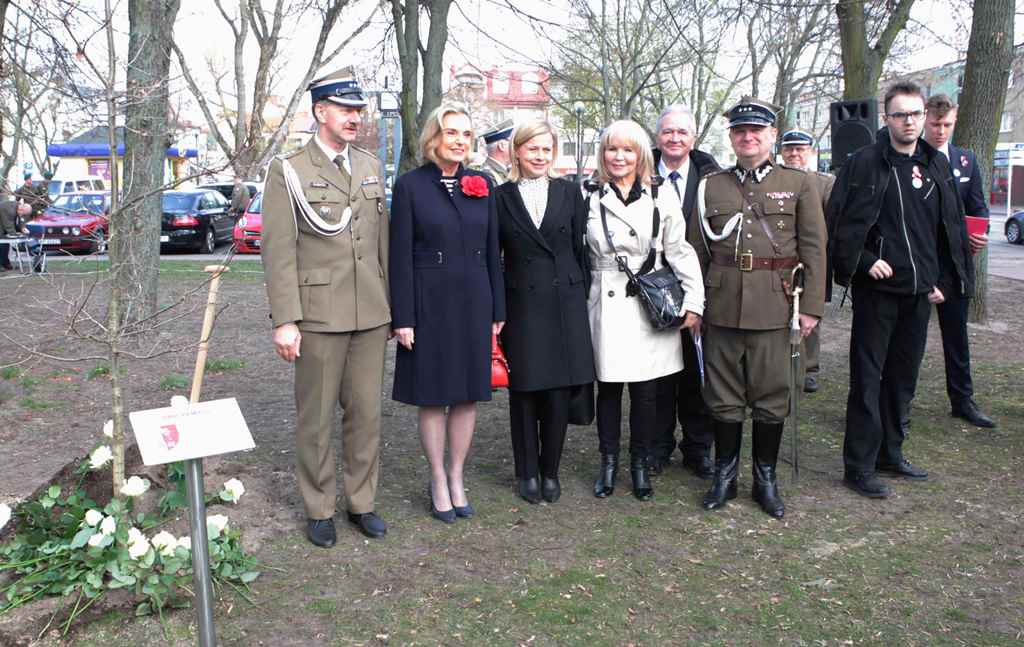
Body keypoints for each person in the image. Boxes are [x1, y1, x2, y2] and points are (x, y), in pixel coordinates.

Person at [261, 67, 391, 546]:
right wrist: (285, 319)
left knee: (366, 413)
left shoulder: (371, 166)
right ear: (321, 112)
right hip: (317, 314)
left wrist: (393, 309)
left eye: (358, 110)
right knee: (315, 418)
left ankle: (362, 502)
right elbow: (278, 250)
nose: (354, 117)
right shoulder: (290, 170)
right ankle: (319, 507)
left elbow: (382, 244)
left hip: (370, 312)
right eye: (345, 109)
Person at [829, 82, 973, 499]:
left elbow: (950, 227)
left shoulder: (935, 164)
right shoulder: (864, 163)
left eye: (915, 114)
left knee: (903, 379)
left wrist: (945, 281)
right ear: (887, 119)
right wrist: (861, 261)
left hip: (920, 294)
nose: (908, 121)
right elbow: (839, 223)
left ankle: (891, 453)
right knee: (869, 380)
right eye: (899, 114)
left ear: (924, 115)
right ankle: (859, 464)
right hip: (878, 294)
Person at [690, 98, 826, 519]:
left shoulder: (798, 182)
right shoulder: (712, 184)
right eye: (739, 131)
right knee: (723, 397)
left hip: (776, 305)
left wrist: (812, 309)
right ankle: (726, 477)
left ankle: (765, 478)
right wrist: (696, 305)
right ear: (730, 136)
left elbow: (815, 248)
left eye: (756, 131)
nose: (748, 137)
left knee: (772, 396)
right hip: (722, 303)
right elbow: (697, 250)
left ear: (771, 135)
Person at [389, 103, 506, 523]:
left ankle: (458, 476)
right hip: (428, 303)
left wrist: (499, 306)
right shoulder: (410, 186)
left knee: (467, 394)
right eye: (451, 132)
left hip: (475, 300)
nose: (459, 140)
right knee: (434, 395)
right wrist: (403, 317)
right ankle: (437, 477)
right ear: (433, 139)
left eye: (466, 134)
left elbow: (494, 250)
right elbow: (398, 256)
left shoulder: (482, 184)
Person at [586, 119, 704, 502]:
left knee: (646, 392)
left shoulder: (660, 195)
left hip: (649, 301)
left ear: (640, 155)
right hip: (604, 300)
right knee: (608, 389)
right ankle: (608, 462)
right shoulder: (587, 195)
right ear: (603, 154)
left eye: (628, 149)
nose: (619, 157)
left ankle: (640, 463)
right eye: (611, 149)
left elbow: (679, 250)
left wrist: (694, 301)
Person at [495, 120, 595, 505]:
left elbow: (578, 248)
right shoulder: (500, 197)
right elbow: (495, 254)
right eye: (532, 149)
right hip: (520, 303)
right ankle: (527, 472)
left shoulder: (570, 193)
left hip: (562, 303)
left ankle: (550, 470)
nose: (539, 156)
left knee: (556, 392)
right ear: (517, 151)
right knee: (523, 393)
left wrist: (576, 293)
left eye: (546, 150)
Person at [650, 104, 721, 480]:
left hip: (700, 292)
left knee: (698, 375)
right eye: (668, 132)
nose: (675, 138)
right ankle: (658, 446)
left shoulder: (712, 177)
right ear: (657, 136)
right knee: (659, 378)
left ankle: (698, 448)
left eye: (682, 133)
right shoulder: (639, 174)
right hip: (652, 293)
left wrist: (702, 298)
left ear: (693, 139)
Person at [920, 94, 995, 428]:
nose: (940, 131)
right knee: (909, 338)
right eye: (935, 125)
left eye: (947, 124)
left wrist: (979, 234)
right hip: (920, 263)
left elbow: (977, 207)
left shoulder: (966, 160)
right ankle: (897, 402)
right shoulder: (912, 158)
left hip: (954, 266)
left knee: (957, 337)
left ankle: (962, 400)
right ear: (924, 121)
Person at [779, 129, 835, 394]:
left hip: (813, 256)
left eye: (800, 149)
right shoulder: (776, 180)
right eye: (789, 148)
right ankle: (783, 365)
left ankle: (810, 368)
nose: (794, 154)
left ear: (812, 152)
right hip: (783, 259)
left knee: (810, 314)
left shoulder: (825, 183)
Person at [472, 120, 514, 185]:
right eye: (514, 143)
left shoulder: (505, 170)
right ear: (502, 146)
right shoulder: (487, 175)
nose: (517, 148)